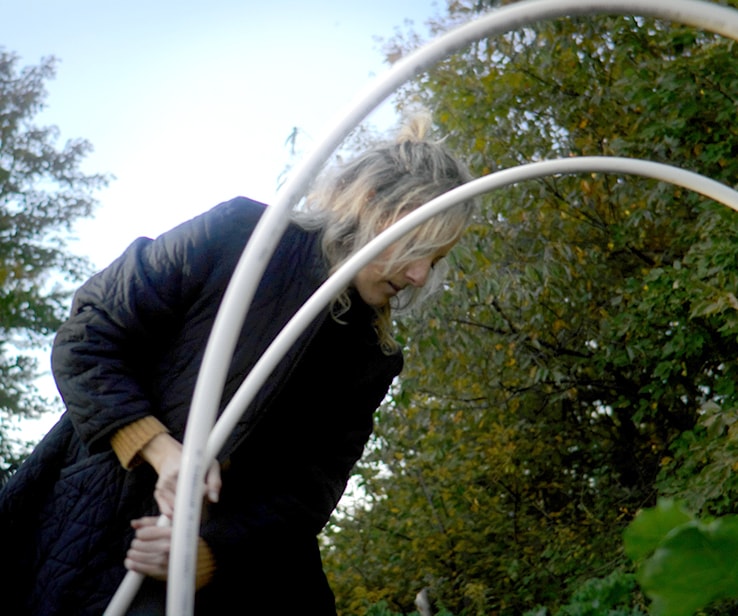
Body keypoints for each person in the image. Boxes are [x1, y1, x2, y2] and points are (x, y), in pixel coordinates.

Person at [0, 112, 476, 615]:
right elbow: (88, 335)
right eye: (417, 248)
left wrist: (206, 557)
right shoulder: (243, 236)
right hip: (85, 532)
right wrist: (159, 451)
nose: (422, 275)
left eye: (436, 259)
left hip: (228, 589)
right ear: (372, 208)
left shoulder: (372, 359)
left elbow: (305, 495)